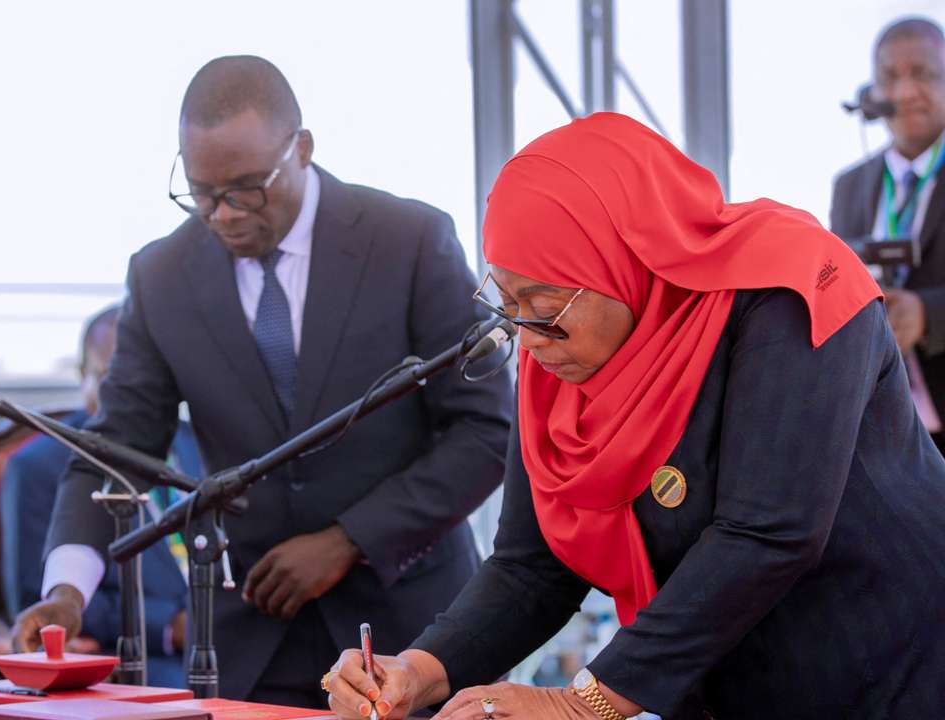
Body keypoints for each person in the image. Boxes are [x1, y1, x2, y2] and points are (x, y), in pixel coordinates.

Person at [322, 113, 945, 719]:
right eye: (508, 303)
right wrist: (416, 670)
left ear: (628, 262)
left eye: (542, 303)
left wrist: (581, 705)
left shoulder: (793, 288)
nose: (527, 337)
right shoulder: (559, 354)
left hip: (895, 665)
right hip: (730, 688)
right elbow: (531, 567)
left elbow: (767, 533)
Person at [12, 55, 513, 706]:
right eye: (201, 193)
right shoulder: (162, 276)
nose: (222, 214)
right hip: (252, 645)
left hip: (411, 635)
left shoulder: (409, 240)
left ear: (301, 149)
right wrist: (67, 590)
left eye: (247, 189)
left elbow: (486, 429)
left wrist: (348, 540)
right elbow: (114, 450)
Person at [0, 304, 190, 687]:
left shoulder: (194, 441)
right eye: (110, 376)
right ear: (81, 375)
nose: (127, 392)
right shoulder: (38, 466)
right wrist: (167, 625)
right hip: (137, 661)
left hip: (229, 639)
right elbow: (33, 596)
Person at [832, 17, 945, 451]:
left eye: (922, 73)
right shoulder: (849, 186)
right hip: (879, 428)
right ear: (870, 93)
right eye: (889, 77)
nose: (903, 92)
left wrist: (928, 314)